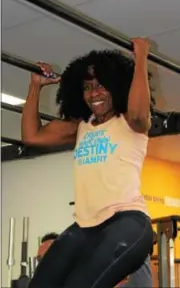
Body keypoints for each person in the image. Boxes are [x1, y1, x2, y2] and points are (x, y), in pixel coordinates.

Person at [23, 37, 154, 288]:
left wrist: (140, 58)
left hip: (127, 221)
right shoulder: (80, 127)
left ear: (117, 87)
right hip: (85, 227)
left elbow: (139, 112)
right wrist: (35, 86)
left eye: (102, 85)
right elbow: (32, 136)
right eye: (87, 87)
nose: (94, 93)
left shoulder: (129, 122)